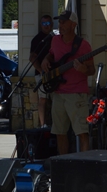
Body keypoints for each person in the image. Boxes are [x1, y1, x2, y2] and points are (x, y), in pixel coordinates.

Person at [41, 10, 95, 154]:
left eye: (64, 22)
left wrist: (83, 69)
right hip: (58, 93)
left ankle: (84, 162)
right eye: (60, 22)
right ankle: (63, 162)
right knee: (59, 132)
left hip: (76, 94)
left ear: (73, 25)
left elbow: (92, 70)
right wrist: (46, 59)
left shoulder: (83, 45)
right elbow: (51, 54)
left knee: (82, 132)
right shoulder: (55, 40)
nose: (60, 25)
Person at [29, 14, 53, 127]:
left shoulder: (55, 38)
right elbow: (32, 58)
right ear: (40, 25)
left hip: (55, 74)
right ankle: (43, 124)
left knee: (55, 99)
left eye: (48, 23)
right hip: (41, 75)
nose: (46, 26)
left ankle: (55, 124)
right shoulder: (37, 40)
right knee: (43, 99)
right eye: (44, 23)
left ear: (52, 24)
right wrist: (40, 71)